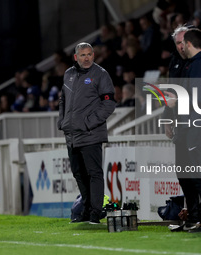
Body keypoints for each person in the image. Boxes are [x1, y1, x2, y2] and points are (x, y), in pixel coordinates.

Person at [165, 28, 201, 233]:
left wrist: (177, 100)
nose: (181, 47)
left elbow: (199, 96)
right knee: (194, 174)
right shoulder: (193, 64)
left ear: (188, 43)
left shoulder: (200, 65)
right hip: (193, 125)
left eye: (183, 43)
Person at [57, 42, 116, 224]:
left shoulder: (100, 74)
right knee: (78, 173)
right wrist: (62, 122)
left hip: (91, 134)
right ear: (76, 57)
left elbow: (109, 103)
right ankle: (87, 208)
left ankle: (95, 213)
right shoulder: (68, 74)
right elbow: (62, 100)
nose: (87, 57)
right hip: (72, 135)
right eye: (83, 55)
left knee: (94, 173)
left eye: (89, 54)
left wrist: (89, 123)